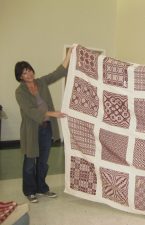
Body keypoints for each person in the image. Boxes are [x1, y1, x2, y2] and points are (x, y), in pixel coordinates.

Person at [15, 48, 72, 203]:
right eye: (25, 72)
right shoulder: (19, 92)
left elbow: (58, 72)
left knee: (43, 161)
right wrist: (53, 113)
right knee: (29, 163)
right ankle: (29, 191)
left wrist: (68, 55)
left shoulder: (41, 82)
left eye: (29, 70)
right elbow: (30, 111)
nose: (29, 74)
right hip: (31, 131)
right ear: (20, 77)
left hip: (46, 129)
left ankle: (42, 188)